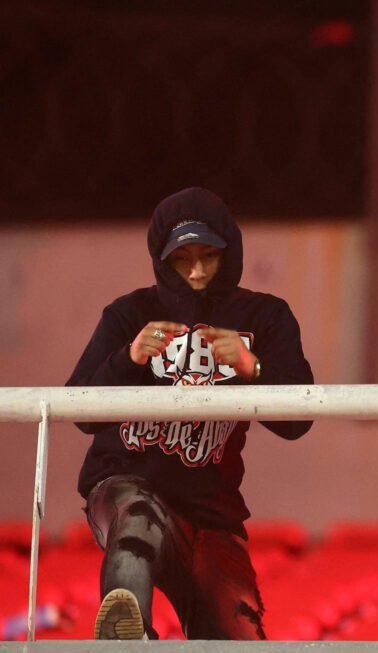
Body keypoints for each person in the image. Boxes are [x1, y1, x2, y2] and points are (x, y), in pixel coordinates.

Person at [66, 187, 314, 640]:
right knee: (136, 519)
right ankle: (126, 640)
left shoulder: (265, 316)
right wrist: (129, 358)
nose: (197, 272)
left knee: (238, 628)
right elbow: (79, 411)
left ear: (230, 253)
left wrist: (252, 368)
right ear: (163, 260)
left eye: (209, 256)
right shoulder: (129, 313)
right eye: (182, 259)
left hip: (210, 512)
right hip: (125, 484)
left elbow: (299, 421)